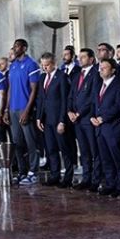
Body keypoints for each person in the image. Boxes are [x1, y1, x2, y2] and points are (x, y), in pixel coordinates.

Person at [35, 52, 74, 187]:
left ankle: (68, 177)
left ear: (54, 63)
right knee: (50, 149)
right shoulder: (42, 78)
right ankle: (54, 175)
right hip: (46, 120)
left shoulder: (62, 77)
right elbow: (40, 98)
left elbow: (65, 100)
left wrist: (62, 121)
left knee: (64, 149)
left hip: (58, 120)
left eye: (47, 65)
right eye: (43, 65)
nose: (44, 68)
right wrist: (38, 117)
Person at [5, 39, 41, 185]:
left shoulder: (31, 64)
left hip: (25, 108)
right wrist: (6, 110)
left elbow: (34, 90)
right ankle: (22, 171)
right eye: (14, 46)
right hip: (13, 109)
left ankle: (33, 172)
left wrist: (27, 110)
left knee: (31, 142)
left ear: (24, 48)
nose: (15, 48)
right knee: (17, 143)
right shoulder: (12, 66)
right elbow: (10, 89)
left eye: (18, 46)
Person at [92, 59, 120, 197]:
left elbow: (118, 105)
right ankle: (110, 183)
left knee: (117, 156)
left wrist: (103, 118)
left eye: (104, 68)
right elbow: (96, 104)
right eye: (100, 68)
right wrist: (93, 117)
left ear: (113, 70)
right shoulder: (99, 84)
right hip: (100, 128)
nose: (101, 70)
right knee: (105, 158)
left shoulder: (119, 84)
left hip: (113, 126)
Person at [69, 48, 99, 190]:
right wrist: (70, 111)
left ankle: (97, 179)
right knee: (84, 150)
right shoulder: (77, 75)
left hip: (88, 118)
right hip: (77, 120)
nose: (80, 59)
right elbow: (71, 95)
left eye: (83, 57)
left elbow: (93, 98)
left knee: (94, 150)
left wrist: (79, 113)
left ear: (91, 59)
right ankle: (86, 178)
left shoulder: (96, 74)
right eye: (79, 57)